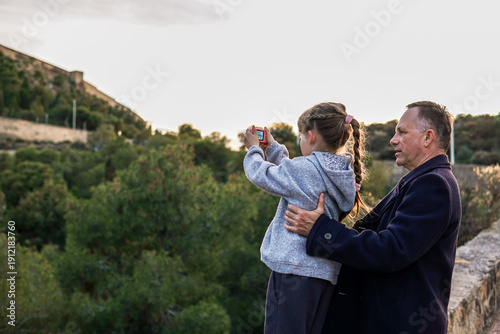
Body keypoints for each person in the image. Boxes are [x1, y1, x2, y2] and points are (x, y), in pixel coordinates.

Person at [284, 101, 462, 334]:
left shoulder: (433, 184)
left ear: (428, 137)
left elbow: (391, 250)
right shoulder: (421, 180)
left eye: (402, 132)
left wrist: (321, 230)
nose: (393, 139)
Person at [243, 102, 368, 333]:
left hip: (294, 270)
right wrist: (273, 148)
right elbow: (294, 178)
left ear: (311, 136)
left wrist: (254, 150)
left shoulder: (305, 170)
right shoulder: (342, 173)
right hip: (323, 274)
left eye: (301, 135)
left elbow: (263, 174)